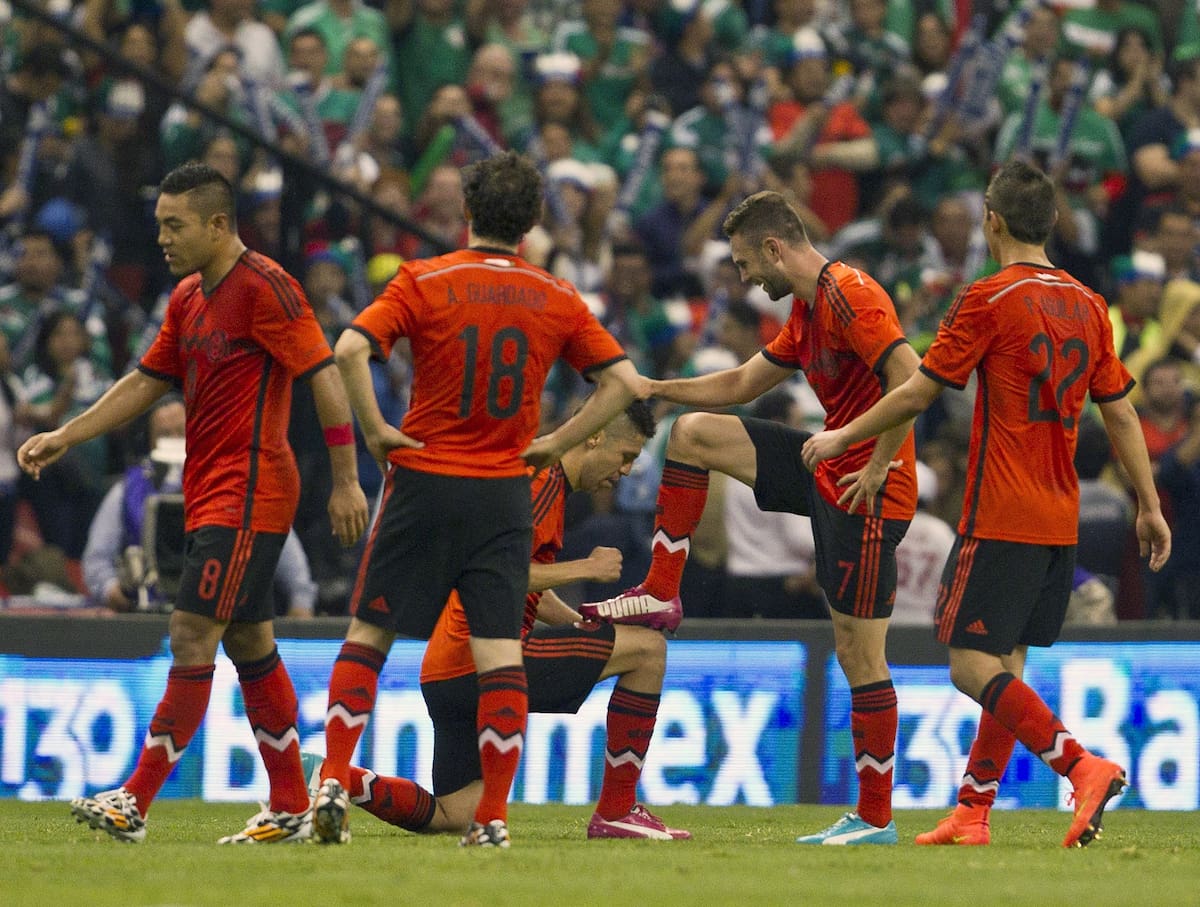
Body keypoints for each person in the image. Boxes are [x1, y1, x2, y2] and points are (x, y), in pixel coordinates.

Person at [801, 159, 1171, 848]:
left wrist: (844, 433)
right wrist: (1149, 504)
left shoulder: (989, 297)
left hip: (1002, 511)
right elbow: (1120, 413)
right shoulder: (1091, 304)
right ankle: (973, 810)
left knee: (971, 666)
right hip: (1061, 521)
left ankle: (1079, 763)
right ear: (1053, 222)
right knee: (1009, 662)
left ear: (991, 219)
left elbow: (918, 390)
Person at [19, 162, 370, 844]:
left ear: (218, 224)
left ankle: (135, 801)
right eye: (159, 225)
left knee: (189, 631)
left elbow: (324, 376)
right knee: (248, 641)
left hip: (251, 485)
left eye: (175, 225)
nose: (163, 238)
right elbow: (147, 380)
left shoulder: (267, 287)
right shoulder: (187, 297)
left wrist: (348, 478)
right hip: (210, 487)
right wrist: (68, 432)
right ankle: (292, 804)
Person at [314, 150, 641, 849]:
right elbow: (622, 383)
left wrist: (376, 431)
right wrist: (558, 441)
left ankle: (334, 779)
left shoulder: (424, 279)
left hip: (423, 474)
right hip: (500, 490)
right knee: (500, 654)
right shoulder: (554, 294)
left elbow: (347, 350)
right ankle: (491, 816)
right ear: (530, 223)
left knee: (369, 634)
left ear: (466, 213)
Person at [577, 190, 921, 845]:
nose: (742, 277)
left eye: (742, 262)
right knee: (693, 433)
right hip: (830, 468)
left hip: (869, 492)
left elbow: (914, 377)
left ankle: (876, 818)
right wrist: (655, 387)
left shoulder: (851, 294)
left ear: (774, 247)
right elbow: (738, 384)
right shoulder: (807, 311)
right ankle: (660, 590)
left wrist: (869, 456)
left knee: (859, 653)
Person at [302, 400, 689, 839]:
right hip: (482, 659)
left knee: (455, 813)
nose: (624, 472)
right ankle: (617, 810)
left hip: (445, 672)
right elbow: (493, 571)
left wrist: (576, 620)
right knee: (649, 651)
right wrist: (586, 568)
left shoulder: (544, 484)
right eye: (627, 457)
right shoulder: (542, 482)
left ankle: (332, 779)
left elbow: (523, 586)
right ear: (595, 436)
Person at [81, 395, 318, 616]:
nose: (174, 441)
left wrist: (301, 601)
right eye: (165, 434)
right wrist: (114, 591)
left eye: (180, 433)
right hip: (149, 611)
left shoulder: (231, 485)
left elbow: (280, 542)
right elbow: (96, 558)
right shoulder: (126, 491)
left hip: (220, 611)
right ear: (150, 440)